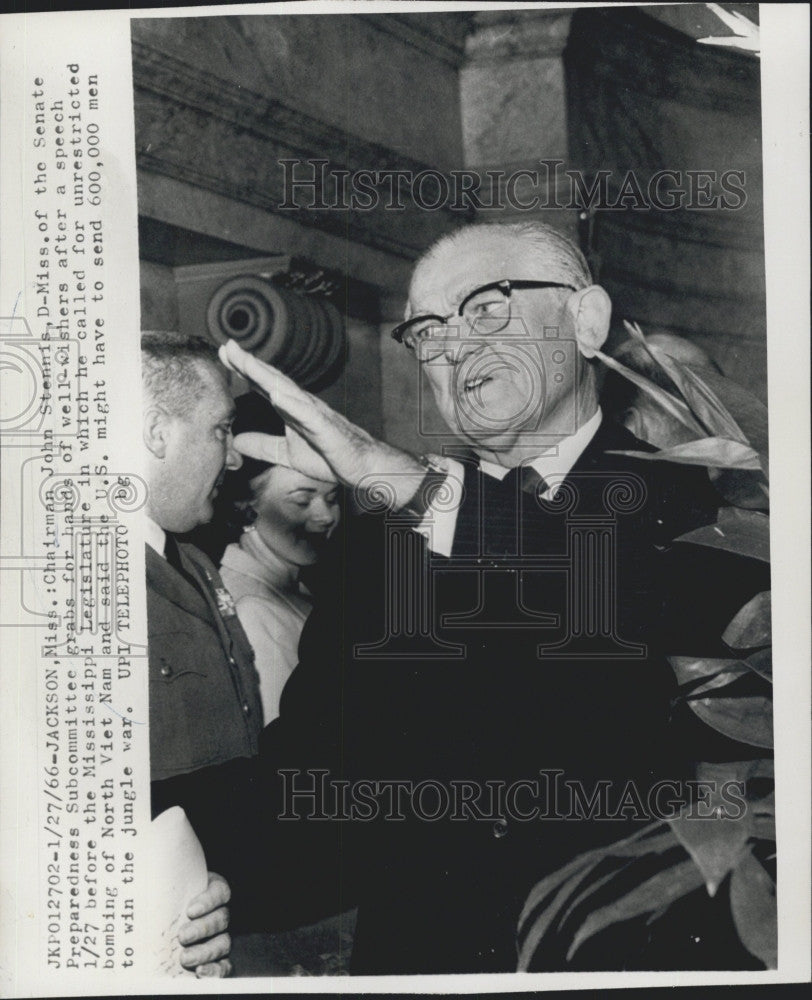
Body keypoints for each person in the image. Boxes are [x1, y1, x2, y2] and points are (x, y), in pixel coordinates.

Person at [218, 221, 769, 973]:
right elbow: (318, 791)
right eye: (427, 331)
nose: (453, 347)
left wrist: (403, 481)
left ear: (587, 321)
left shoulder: (709, 518)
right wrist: (194, 881)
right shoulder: (382, 545)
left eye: (486, 308)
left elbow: (610, 591)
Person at [141, 331, 265, 968]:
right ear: (158, 434)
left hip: (230, 911)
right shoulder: (79, 576)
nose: (235, 457)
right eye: (220, 429)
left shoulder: (191, 560)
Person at [216, 392, 341, 724]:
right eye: (302, 500)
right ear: (246, 506)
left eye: (333, 497)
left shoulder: (291, 583)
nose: (326, 516)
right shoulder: (251, 611)